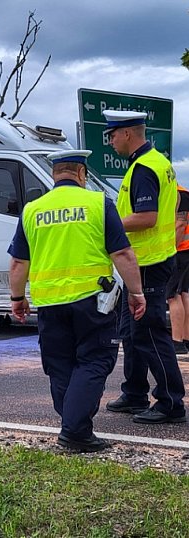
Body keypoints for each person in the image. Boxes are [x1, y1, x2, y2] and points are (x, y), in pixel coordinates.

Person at [8, 149, 146, 452]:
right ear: (81, 174)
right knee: (95, 360)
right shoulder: (98, 203)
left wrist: (17, 297)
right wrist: (136, 292)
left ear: (55, 174)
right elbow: (123, 254)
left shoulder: (32, 210)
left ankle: (74, 425)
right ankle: (74, 431)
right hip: (92, 301)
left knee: (60, 365)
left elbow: (18, 262)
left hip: (49, 303)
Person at [102, 110, 187, 424]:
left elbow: (147, 217)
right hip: (146, 261)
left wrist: (109, 223)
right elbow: (171, 206)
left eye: (112, 135)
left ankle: (170, 403)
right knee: (130, 331)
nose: (110, 141)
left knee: (149, 333)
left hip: (148, 263)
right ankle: (134, 392)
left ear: (127, 133)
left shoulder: (143, 168)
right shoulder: (158, 162)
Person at [167, 186, 189, 354]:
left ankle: (177, 341)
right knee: (183, 294)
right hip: (185, 250)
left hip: (179, 250)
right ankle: (185, 338)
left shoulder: (178, 194)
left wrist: (170, 251)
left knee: (172, 295)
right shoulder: (183, 193)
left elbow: (180, 224)